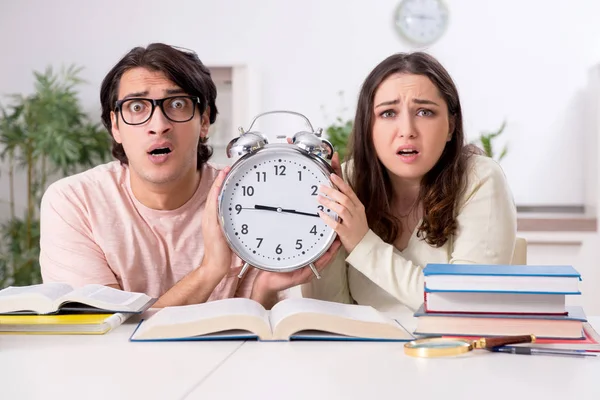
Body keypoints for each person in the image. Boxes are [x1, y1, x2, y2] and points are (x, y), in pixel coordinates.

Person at [39, 43, 339, 308]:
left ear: (205, 121)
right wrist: (211, 270)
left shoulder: (251, 192)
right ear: (115, 126)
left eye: (177, 104)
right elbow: (109, 332)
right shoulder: (74, 202)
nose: (158, 125)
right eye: (137, 106)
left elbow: (252, 333)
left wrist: (264, 290)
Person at [302, 52, 517, 312]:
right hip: (362, 350)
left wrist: (362, 243)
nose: (407, 130)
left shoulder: (479, 179)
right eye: (388, 113)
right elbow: (329, 311)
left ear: (451, 126)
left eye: (425, 112)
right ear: (368, 126)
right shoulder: (345, 183)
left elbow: (466, 305)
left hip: (451, 351)